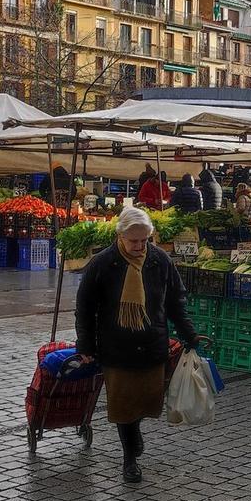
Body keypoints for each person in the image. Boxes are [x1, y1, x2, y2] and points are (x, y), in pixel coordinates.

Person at [75, 207, 200, 483]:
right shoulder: (103, 263)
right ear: (121, 235)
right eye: (134, 241)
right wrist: (84, 345)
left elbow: (175, 301)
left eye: (144, 240)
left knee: (145, 401)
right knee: (123, 405)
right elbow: (84, 306)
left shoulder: (159, 260)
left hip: (151, 343)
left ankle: (134, 433)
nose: (139, 246)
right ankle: (129, 459)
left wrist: (189, 334)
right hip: (116, 346)